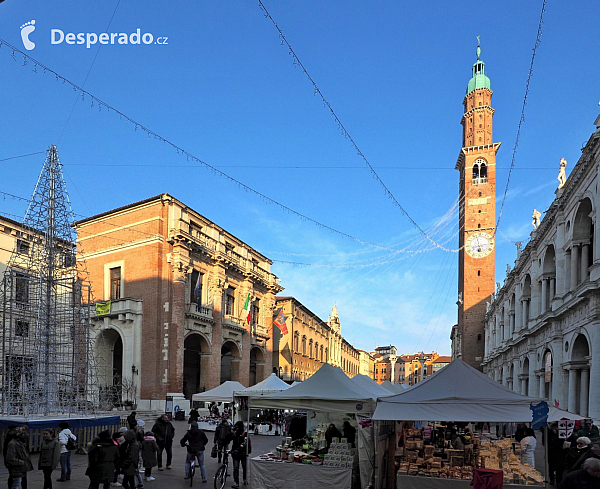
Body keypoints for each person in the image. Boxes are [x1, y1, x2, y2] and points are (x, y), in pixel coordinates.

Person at [230, 421, 251, 489]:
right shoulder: (235, 433)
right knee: (236, 468)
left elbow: (245, 443)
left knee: (244, 467)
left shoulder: (245, 434)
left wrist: (238, 449)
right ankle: (236, 482)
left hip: (242, 453)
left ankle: (244, 479)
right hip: (236, 453)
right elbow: (229, 439)